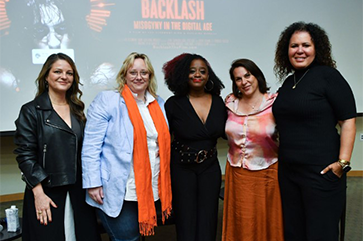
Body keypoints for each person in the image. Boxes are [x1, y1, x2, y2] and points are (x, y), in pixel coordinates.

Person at [273, 22, 356, 241]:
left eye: (305, 45)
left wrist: (343, 163)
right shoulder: (290, 82)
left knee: (321, 233)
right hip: (289, 172)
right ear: (286, 50)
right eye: (294, 46)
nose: (299, 50)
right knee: (294, 232)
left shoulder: (328, 76)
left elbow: (348, 120)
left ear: (316, 48)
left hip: (321, 172)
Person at [82, 52, 172, 241]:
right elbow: (91, 146)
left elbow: (158, 141)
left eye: (144, 73)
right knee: (127, 238)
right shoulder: (107, 100)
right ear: (124, 75)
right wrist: (93, 183)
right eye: (133, 72)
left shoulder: (158, 103)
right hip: (116, 188)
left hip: (150, 186)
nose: (139, 77)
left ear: (150, 76)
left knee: (137, 236)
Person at [14, 53, 101, 241]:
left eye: (69, 73)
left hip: (78, 192)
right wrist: (38, 194)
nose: (64, 76)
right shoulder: (31, 110)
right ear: (46, 76)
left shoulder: (77, 109)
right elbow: (25, 156)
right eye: (58, 71)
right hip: (47, 192)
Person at [163, 53, 226, 241]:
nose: (197, 74)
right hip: (182, 168)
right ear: (183, 75)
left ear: (209, 76)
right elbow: (162, 138)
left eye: (202, 71)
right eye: (192, 71)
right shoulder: (173, 104)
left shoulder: (218, 102)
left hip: (210, 167)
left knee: (209, 217)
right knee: (186, 218)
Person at [222, 59, 284, 241]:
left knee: (267, 220)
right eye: (238, 79)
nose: (244, 81)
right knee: (241, 219)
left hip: (268, 172)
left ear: (256, 75)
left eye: (247, 75)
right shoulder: (230, 104)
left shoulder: (274, 103)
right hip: (236, 173)